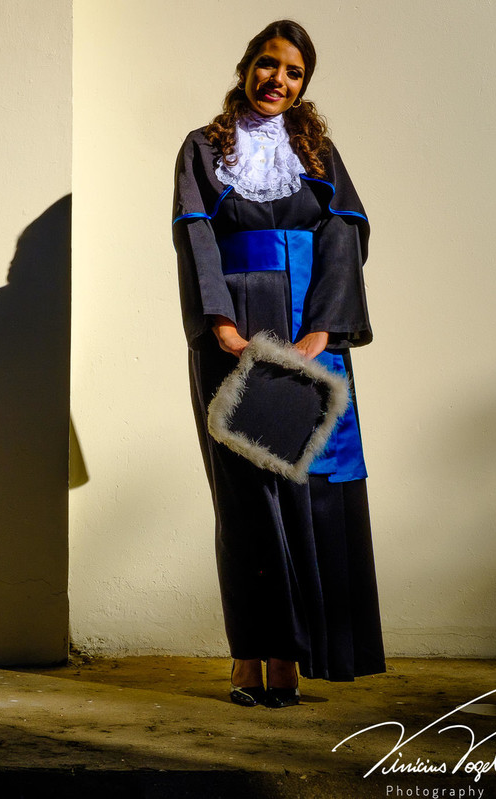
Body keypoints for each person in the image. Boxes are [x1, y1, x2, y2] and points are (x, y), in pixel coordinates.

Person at [171, 19, 386, 708]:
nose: (278, 81)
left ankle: (293, 658)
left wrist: (323, 330)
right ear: (246, 68)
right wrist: (223, 326)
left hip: (307, 338)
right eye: (269, 65)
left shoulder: (317, 152)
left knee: (311, 494)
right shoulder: (202, 149)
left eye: (293, 72)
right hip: (233, 337)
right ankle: (248, 656)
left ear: (303, 85)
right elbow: (195, 234)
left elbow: (344, 234)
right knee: (245, 503)